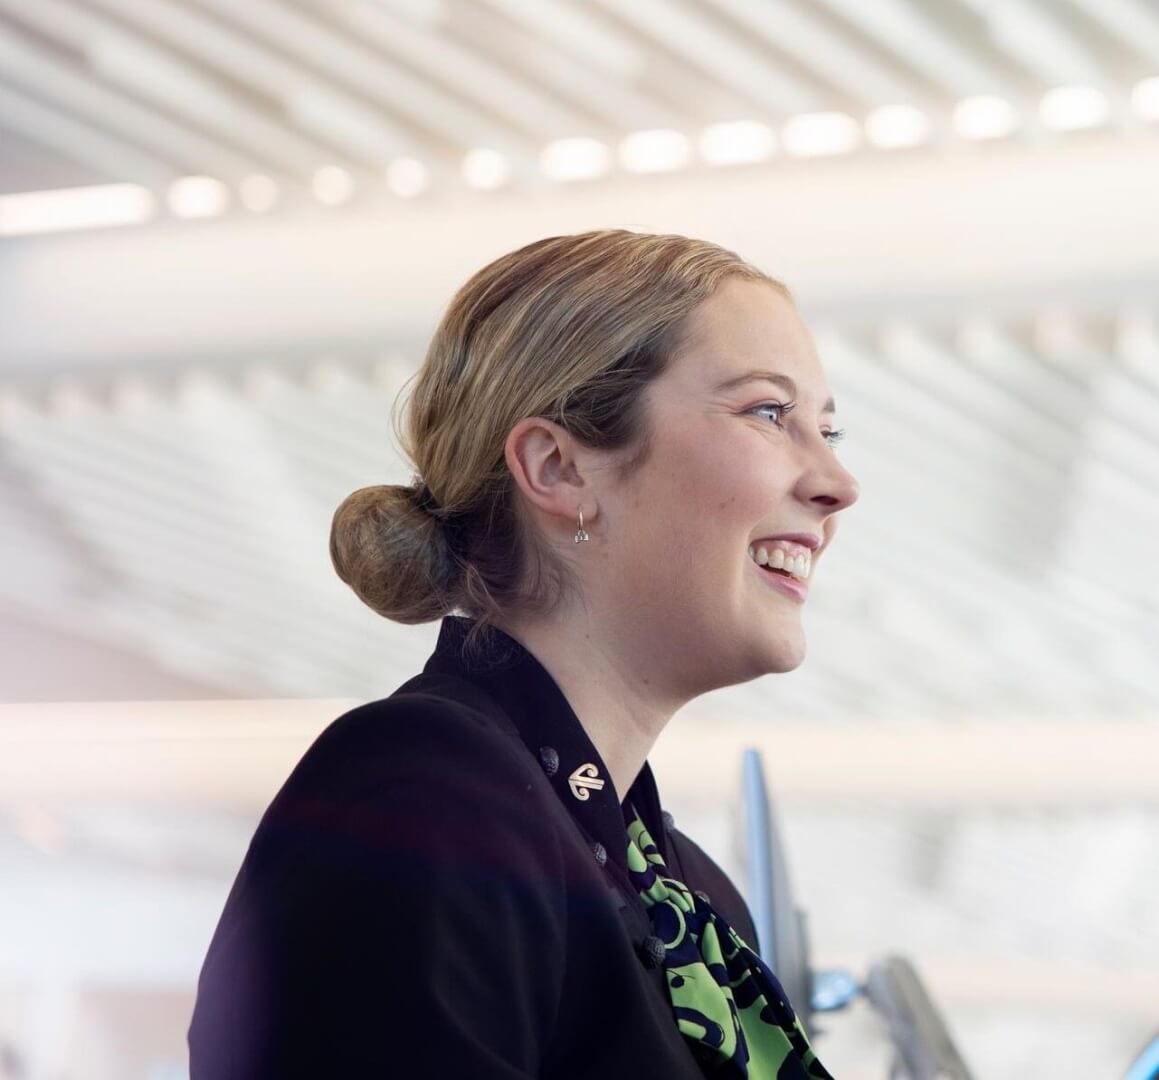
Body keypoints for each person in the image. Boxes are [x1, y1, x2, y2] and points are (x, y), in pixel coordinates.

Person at [188, 229, 859, 1078]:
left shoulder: (689, 895)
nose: (837, 483)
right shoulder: (421, 792)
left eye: (829, 430)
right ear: (560, 468)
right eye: (768, 412)